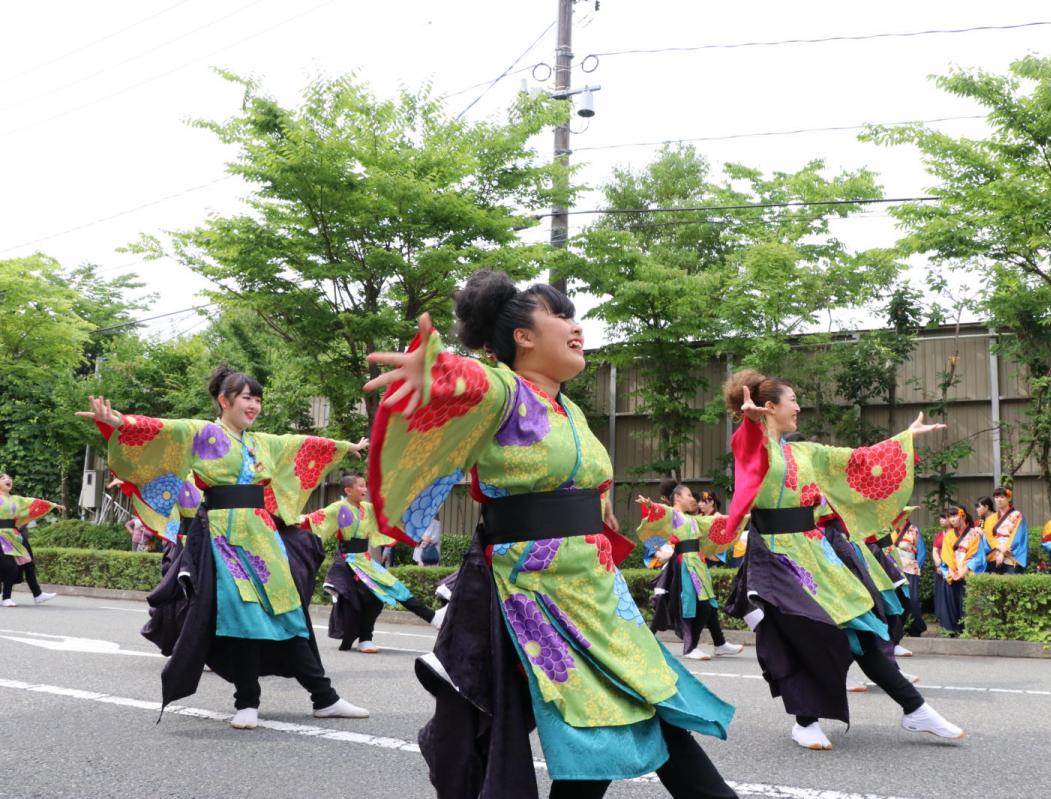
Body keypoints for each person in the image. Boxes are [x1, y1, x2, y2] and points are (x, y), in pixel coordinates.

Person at [364, 270, 737, 799]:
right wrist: (437, 368)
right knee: (601, 717)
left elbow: (592, 489)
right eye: (561, 315)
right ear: (523, 336)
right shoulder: (502, 389)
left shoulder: (574, 410)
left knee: (637, 706)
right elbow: (465, 379)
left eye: (575, 315)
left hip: (595, 589)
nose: (576, 326)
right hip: (535, 591)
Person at [76, 368, 372, 731]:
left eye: (258, 399)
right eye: (247, 397)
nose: (254, 405)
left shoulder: (262, 442)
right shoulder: (203, 434)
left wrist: (348, 447)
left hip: (263, 536)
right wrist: (119, 421)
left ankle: (324, 698)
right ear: (224, 400)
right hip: (223, 535)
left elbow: (304, 444)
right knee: (242, 615)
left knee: (289, 612)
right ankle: (247, 701)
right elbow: (162, 430)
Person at [722, 369, 964, 751]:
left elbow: (857, 461)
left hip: (816, 552)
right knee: (809, 631)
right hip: (777, 556)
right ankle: (805, 721)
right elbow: (748, 451)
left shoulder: (806, 452)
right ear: (769, 408)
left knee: (863, 629)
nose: (799, 407)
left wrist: (903, 439)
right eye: (792, 400)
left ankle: (914, 709)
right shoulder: (753, 446)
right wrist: (752, 425)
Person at [303, 473, 440, 654]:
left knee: (394, 586)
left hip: (365, 560)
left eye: (365, 485)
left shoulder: (368, 508)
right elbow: (314, 519)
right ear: (348, 490)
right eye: (360, 486)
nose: (365, 489)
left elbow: (388, 524)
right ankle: (364, 639)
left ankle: (433, 617)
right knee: (370, 598)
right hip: (349, 562)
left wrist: (414, 536)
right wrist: (288, 521)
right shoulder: (339, 508)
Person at [635, 477, 743, 660]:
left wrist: (738, 517)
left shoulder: (692, 520)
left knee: (709, 604)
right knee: (692, 604)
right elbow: (661, 511)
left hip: (698, 564)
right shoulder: (674, 515)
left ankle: (719, 643)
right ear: (677, 498)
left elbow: (714, 524)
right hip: (685, 564)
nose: (693, 499)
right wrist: (651, 505)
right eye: (689, 495)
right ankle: (689, 647)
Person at [0, 472, 61, 606]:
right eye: (3, 478)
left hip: (14, 535)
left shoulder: (16, 499)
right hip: (1, 536)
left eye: (9, 478)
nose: (8, 480)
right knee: (10, 567)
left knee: (28, 563)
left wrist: (53, 505)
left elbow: (33, 502)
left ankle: (37, 594)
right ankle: (6, 598)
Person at [935, 505, 988, 634]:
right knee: (951, 604)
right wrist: (952, 571)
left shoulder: (973, 533)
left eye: (954, 516)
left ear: (963, 516)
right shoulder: (948, 535)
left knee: (968, 603)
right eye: (950, 517)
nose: (951, 519)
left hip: (968, 572)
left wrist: (964, 570)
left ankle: (969, 630)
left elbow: (978, 556)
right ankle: (951, 630)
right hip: (953, 573)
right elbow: (946, 555)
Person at [888, 505, 927, 641]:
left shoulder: (914, 530)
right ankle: (897, 628)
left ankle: (916, 627)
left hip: (910, 568)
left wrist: (917, 566)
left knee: (912, 599)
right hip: (893, 569)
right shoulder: (889, 530)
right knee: (896, 599)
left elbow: (921, 552)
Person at [985, 487, 1028, 574]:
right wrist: (999, 547)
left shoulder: (1017, 515)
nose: (999, 500)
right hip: (995, 555)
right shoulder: (988, 519)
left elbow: (1017, 537)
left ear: (1008, 498)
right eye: (996, 497)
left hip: (1011, 556)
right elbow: (988, 537)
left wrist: (1003, 552)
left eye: (1002, 497)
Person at [930, 510, 950, 631]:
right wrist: (938, 564)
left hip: (950, 568)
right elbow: (935, 549)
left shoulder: (954, 533)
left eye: (944, 518)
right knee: (940, 594)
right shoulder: (939, 534)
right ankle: (941, 619)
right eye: (941, 518)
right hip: (939, 567)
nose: (941, 520)